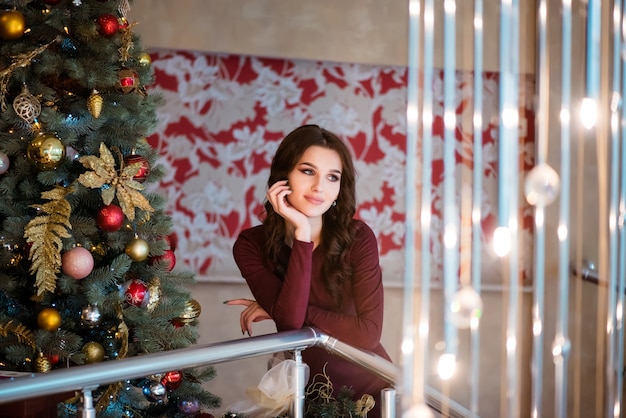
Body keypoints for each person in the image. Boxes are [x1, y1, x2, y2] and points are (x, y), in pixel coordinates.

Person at [226, 124, 392, 417]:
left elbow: (368, 333)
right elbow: (290, 324)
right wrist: (302, 233)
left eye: (332, 177)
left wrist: (277, 308)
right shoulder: (250, 245)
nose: (319, 187)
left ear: (340, 189)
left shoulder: (358, 238)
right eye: (307, 171)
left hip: (373, 394)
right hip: (308, 397)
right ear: (283, 176)